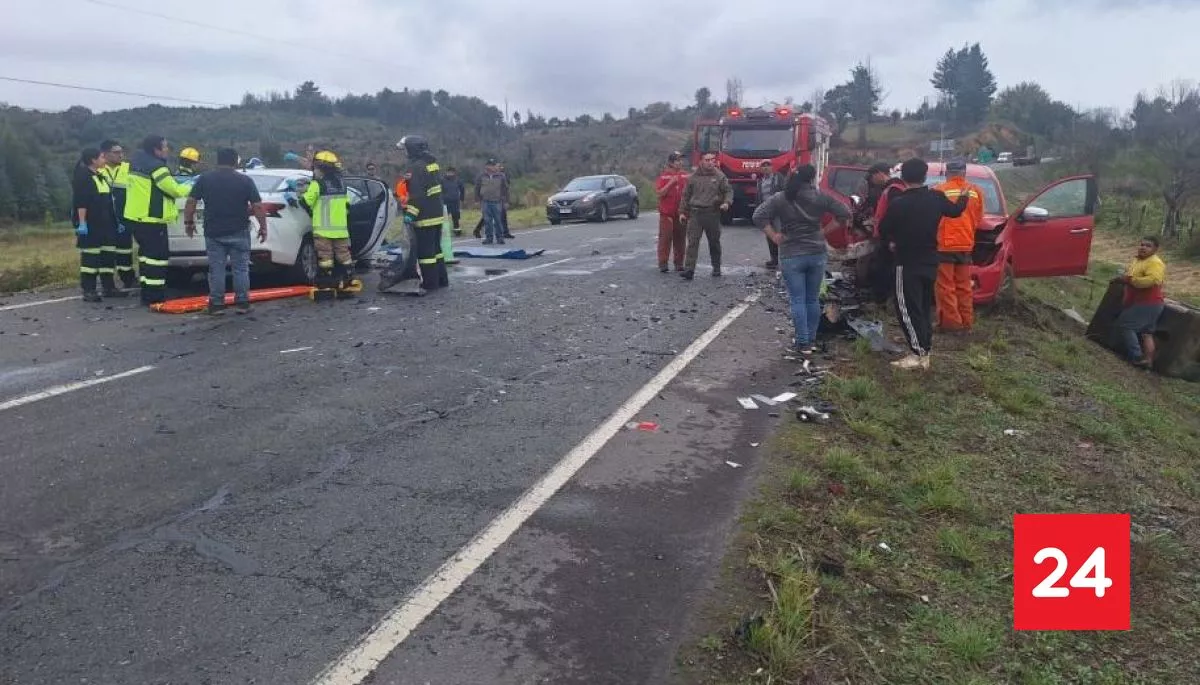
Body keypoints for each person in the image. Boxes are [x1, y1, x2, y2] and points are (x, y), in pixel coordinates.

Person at [876, 158, 970, 370]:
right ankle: (925, 350)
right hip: (930, 261)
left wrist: (891, 242)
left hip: (906, 262)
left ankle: (917, 354)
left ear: (903, 177)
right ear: (925, 176)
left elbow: (883, 229)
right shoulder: (936, 197)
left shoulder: (899, 203)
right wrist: (964, 196)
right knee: (924, 308)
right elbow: (955, 211)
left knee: (907, 309)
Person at [754, 164, 851, 355]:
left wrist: (774, 236)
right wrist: (824, 232)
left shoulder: (781, 197)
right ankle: (812, 339)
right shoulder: (820, 196)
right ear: (812, 178)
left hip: (791, 253)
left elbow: (758, 215)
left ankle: (802, 342)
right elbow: (845, 213)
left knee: (797, 299)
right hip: (816, 252)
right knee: (812, 298)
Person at [184, 148, 268, 315]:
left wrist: (189, 222)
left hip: (214, 232)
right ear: (235, 161)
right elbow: (257, 206)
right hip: (239, 230)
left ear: (218, 160)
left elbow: (191, 202)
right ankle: (243, 303)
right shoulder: (245, 181)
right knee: (241, 268)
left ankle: (217, 304)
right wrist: (263, 226)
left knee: (216, 268)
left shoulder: (205, 179)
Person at [124, 135, 192, 305]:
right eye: (165, 146)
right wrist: (193, 186)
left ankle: (147, 294)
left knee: (146, 257)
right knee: (157, 258)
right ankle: (155, 297)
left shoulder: (136, 163)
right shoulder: (157, 168)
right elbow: (173, 190)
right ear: (156, 149)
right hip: (152, 220)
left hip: (135, 217)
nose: (167, 149)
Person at [380, 135, 450, 293]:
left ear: (412, 149)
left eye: (405, 149)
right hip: (436, 213)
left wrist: (410, 215)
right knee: (436, 250)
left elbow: (417, 195)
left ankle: (430, 284)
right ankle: (441, 279)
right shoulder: (431, 164)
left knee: (426, 253)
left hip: (424, 216)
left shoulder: (416, 167)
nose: (405, 153)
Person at [299, 150, 358, 297]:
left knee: (325, 259)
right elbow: (347, 205)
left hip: (323, 230)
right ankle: (347, 283)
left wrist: (300, 196)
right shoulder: (341, 184)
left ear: (319, 168)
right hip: (341, 230)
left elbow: (306, 201)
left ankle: (326, 284)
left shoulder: (317, 184)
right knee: (344, 257)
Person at [933, 159, 984, 332]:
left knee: (945, 286)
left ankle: (951, 324)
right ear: (964, 173)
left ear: (947, 173)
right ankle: (966, 322)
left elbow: (932, 219)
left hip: (944, 245)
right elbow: (978, 218)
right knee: (964, 286)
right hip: (966, 244)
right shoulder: (975, 191)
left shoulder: (939, 190)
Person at [71, 148, 126, 302]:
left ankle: (109, 287)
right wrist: (82, 223)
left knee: (108, 257)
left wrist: (116, 222)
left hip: (107, 225)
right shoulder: (83, 177)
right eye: (102, 157)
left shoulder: (100, 176)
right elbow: (80, 202)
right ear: (93, 160)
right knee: (90, 258)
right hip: (92, 224)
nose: (104, 159)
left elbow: (108, 203)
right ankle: (89, 290)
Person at [679, 152, 733, 280]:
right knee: (692, 242)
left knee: (714, 242)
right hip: (695, 213)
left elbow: (728, 191)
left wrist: (726, 203)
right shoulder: (693, 177)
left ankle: (716, 267)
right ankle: (689, 270)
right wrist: (682, 212)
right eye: (707, 160)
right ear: (701, 161)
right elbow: (685, 196)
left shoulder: (720, 176)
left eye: (712, 160)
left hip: (712, 213)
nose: (710, 162)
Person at [1113, 236, 1166, 368]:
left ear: (1155, 249)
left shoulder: (1155, 263)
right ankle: (1148, 362)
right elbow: (1130, 276)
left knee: (1125, 324)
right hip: (1147, 302)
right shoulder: (1138, 260)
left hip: (1148, 302)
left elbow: (1152, 280)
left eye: (1148, 246)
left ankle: (1136, 357)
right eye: (1142, 244)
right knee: (1147, 333)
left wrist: (1130, 280)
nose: (1143, 247)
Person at [99, 139, 137, 289]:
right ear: (105, 154)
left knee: (125, 249)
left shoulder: (129, 168)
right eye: (116, 152)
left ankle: (128, 278)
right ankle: (107, 283)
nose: (120, 155)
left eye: (121, 152)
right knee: (106, 250)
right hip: (105, 216)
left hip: (124, 215)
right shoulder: (99, 169)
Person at [655, 152, 689, 272]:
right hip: (667, 214)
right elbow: (659, 193)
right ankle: (663, 263)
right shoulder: (664, 176)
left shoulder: (685, 176)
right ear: (670, 163)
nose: (680, 162)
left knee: (680, 239)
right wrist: (671, 183)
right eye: (677, 160)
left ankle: (679, 263)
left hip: (681, 214)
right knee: (665, 239)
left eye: (681, 160)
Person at [756, 160, 787, 269]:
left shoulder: (778, 178)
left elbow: (785, 191)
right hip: (766, 212)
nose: (765, 168)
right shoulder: (760, 181)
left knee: (780, 234)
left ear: (772, 167)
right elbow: (759, 197)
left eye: (768, 165)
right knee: (770, 236)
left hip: (778, 211)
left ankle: (786, 259)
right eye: (763, 166)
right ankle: (774, 260)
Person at [475, 159, 508, 244]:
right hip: (485, 201)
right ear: (486, 166)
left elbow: (505, 189)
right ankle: (489, 238)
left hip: (497, 201)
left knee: (498, 220)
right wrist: (477, 199)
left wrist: (506, 201)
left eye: (493, 165)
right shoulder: (481, 176)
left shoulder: (501, 176)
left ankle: (500, 237)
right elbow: (477, 188)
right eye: (489, 165)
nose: (491, 167)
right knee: (487, 221)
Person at [442, 165, 466, 235]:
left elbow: (462, 189)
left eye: (452, 172)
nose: (450, 174)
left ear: (454, 173)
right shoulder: (442, 180)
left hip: (455, 202)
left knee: (456, 218)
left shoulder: (458, 180)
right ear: (446, 172)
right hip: (445, 202)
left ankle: (457, 231)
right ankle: (443, 232)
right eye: (449, 172)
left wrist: (462, 199)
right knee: (444, 218)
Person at [497, 163, 514, 239]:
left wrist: (507, 201)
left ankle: (505, 232)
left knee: (503, 216)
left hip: (502, 198)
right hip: (494, 199)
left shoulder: (503, 176)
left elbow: (506, 188)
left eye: (501, 166)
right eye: (499, 166)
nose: (501, 168)